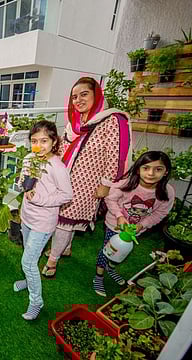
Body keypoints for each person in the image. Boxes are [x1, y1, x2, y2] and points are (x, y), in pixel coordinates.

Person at [42, 77, 132, 277]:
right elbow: (63, 148)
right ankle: (65, 248)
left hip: (88, 184)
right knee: (67, 219)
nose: (78, 100)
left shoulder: (112, 120)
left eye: (84, 94)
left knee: (64, 220)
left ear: (97, 95)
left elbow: (116, 155)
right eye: (74, 97)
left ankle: (52, 261)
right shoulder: (75, 122)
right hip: (66, 178)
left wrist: (106, 184)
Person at [13, 121, 73, 320]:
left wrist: (41, 199)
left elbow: (66, 196)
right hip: (27, 216)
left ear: (54, 141)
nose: (38, 145)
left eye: (44, 141)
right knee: (29, 255)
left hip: (44, 222)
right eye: (34, 141)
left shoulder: (57, 166)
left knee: (28, 262)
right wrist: (23, 184)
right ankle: (29, 281)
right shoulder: (30, 158)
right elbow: (23, 180)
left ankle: (36, 301)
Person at [93, 151, 174, 297]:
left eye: (158, 169)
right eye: (146, 168)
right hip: (114, 226)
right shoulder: (127, 183)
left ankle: (111, 269)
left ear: (166, 171)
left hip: (136, 231)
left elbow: (160, 213)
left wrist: (143, 225)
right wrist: (119, 216)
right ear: (138, 169)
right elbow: (110, 199)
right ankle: (98, 276)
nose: (151, 173)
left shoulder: (167, 192)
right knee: (109, 250)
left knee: (121, 252)